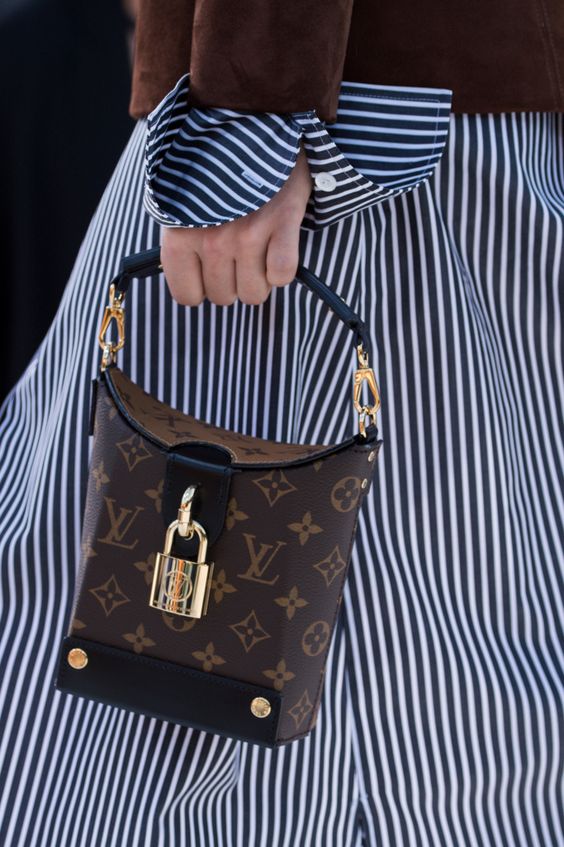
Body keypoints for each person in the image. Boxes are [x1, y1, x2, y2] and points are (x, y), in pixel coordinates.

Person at [0, 2, 562, 845]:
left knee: (232, 712)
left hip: (332, 144)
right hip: (467, 127)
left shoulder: (265, 123)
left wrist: (251, 113)